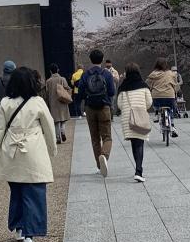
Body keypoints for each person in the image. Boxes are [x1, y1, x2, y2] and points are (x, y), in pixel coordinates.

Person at [0, 66, 57, 242]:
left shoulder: (5, 103)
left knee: (17, 191)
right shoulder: (37, 102)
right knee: (34, 192)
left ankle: (18, 227)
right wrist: (52, 148)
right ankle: (29, 233)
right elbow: (49, 127)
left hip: (11, 152)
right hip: (32, 151)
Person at [80, 48, 117, 177]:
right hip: (104, 107)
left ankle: (99, 165)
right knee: (107, 137)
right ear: (102, 60)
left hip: (90, 108)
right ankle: (104, 156)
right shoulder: (107, 74)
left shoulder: (85, 74)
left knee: (95, 138)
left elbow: (80, 92)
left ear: (90, 60)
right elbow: (112, 92)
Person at [115, 63, 154, 183]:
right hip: (140, 116)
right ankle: (138, 171)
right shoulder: (143, 85)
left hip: (128, 119)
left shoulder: (123, 87)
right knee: (140, 144)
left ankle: (138, 169)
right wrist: (141, 107)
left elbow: (119, 105)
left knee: (134, 143)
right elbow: (149, 102)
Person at [146, 58, 180, 138]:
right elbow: (176, 85)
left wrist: (152, 88)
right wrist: (175, 91)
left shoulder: (153, 74)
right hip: (169, 96)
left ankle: (157, 114)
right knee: (171, 109)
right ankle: (172, 125)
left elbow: (148, 83)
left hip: (157, 96)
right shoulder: (171, 74)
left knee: (156, 105)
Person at [44, 63, 72, 143]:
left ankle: (58, 137)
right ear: (58, 70)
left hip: (53, 103)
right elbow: (67, 88)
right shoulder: (62, 79)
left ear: (50, 71)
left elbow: (46, 93)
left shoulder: (48, 81)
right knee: (63, 119)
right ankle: (63, 131)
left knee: (56, 121)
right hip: (62, 101)